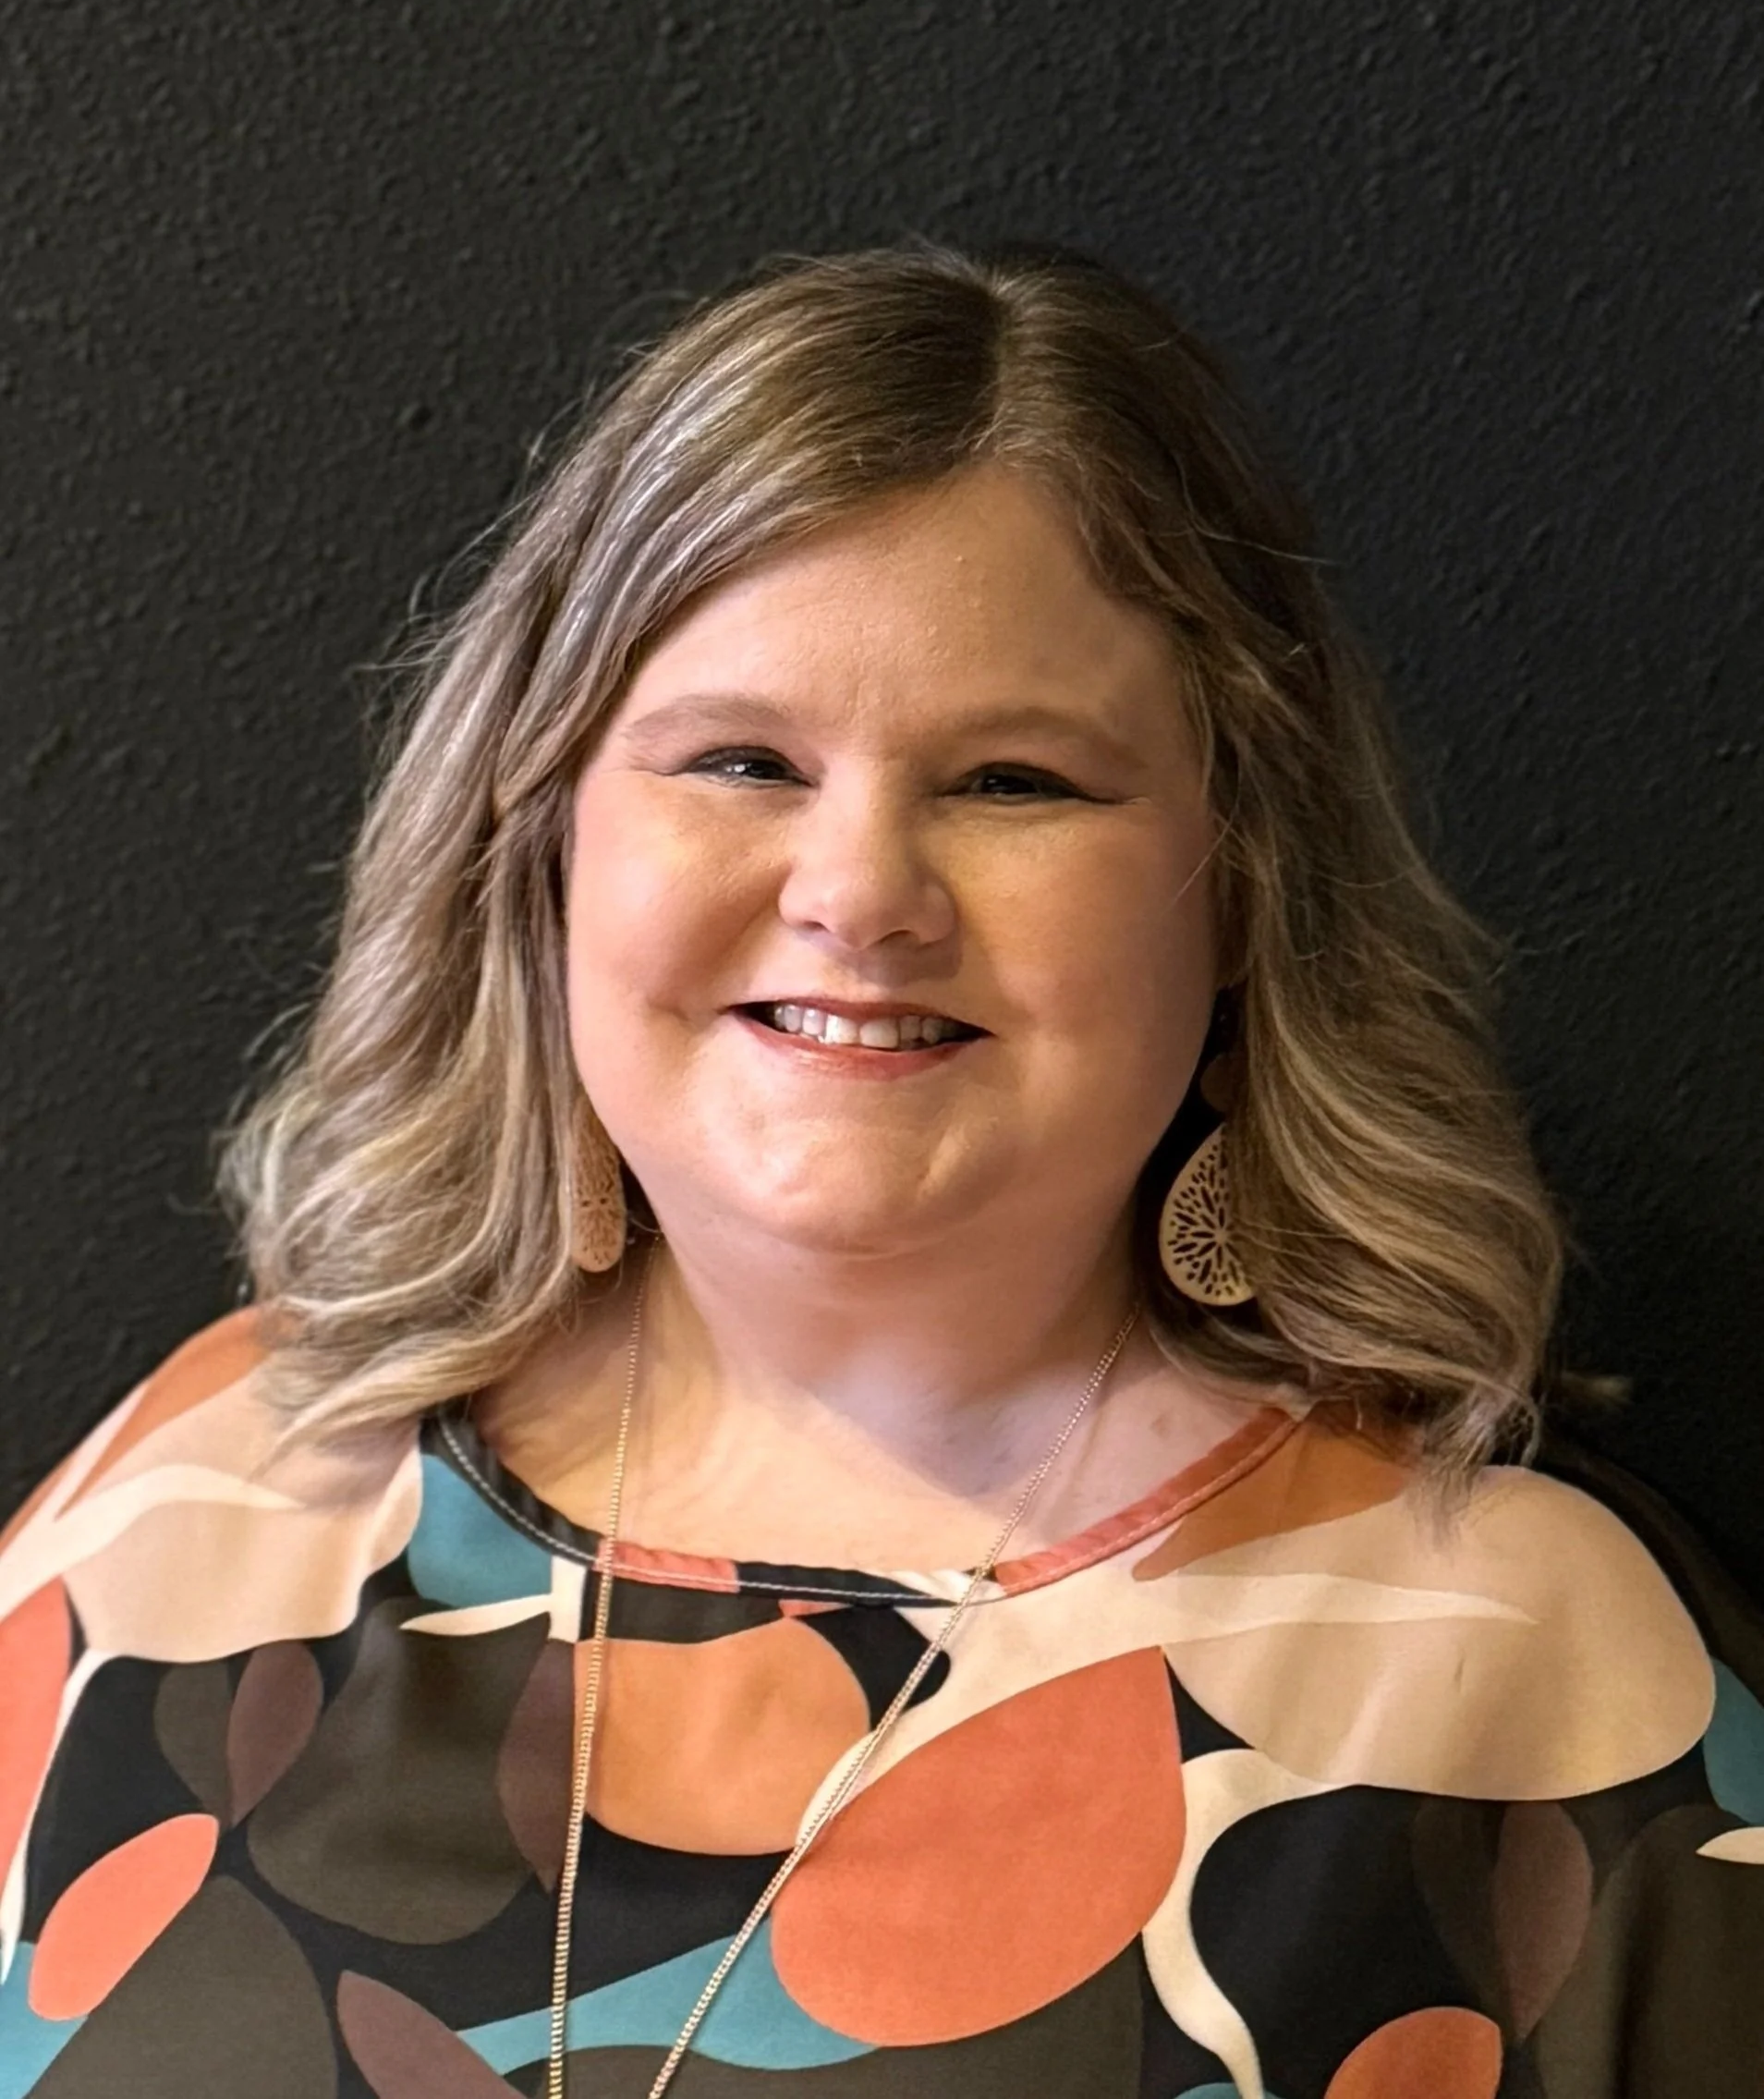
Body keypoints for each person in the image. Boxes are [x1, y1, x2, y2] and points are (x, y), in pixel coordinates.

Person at [0, 241, 1758, 2099]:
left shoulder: (1531, 1692)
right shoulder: (189, 1516)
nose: (858, 895)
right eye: (742, 759)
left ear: (1244, 885)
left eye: (1013, 779)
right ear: (544, 845)